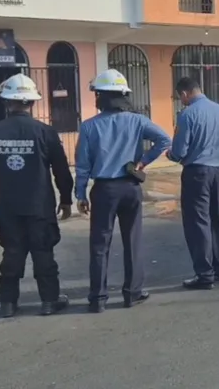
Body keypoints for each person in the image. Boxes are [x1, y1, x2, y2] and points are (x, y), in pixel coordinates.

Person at [0, 73, 74, 318]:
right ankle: (49, 302)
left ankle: (8, 305)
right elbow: (62, 170)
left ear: (7, 103)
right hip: (40, 207)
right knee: (43, 254)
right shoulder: (45, 132)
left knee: (12, 254)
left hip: (8, 208)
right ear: (31, 102)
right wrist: (66, 199)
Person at [75, 69, 171, 313]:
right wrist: (144, 160)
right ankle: (132, 293)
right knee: (132, 241)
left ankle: (98, 299)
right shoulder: (137, 121)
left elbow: (83, 165)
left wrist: (80, 194)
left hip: (104, 190)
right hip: (130, 187)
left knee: (99, 244)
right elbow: (164, 139)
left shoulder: (88, 127)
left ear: (101, 98)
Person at [167, 77, 219, 290]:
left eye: (181, 97)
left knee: (198, 222)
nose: (182, 101)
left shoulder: (187, 115)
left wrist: (170, 154)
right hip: (218, 170)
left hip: (197, 172)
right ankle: (218, 268)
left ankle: (204, 274)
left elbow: (179, 151)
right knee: (214, 218)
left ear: (185, 93)